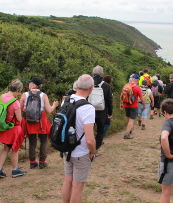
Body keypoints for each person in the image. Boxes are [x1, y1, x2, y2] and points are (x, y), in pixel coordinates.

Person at [61, 74, 96, 203]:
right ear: (91, 88)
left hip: (66, 149)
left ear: (77, 86)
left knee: (67, 180)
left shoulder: (66, 100)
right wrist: (93, 151)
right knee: (78, 186)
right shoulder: (88, 108)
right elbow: (89, 139)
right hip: (81, 152)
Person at [20, 77, 59, 169]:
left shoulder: (24, 95)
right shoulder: (43, 95)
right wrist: (54, 105)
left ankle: (32, 162)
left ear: (33, 84)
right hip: (41, 120)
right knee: (43, 140)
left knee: (32, 141)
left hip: (29, 119)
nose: (29, 84)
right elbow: (49, 110)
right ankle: (42, 161)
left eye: (30, 83)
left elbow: (20, 108)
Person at [0, 79, 27, 178]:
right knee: (15, 149)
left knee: (5, 149)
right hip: (13, 128)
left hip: (4, 127)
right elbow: (19, 119)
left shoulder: (1, 96)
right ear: (17, 90)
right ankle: (15, 170)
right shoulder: (15, 102)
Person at [91, 66, 113, 150]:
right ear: (102, 74)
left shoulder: (89, 84)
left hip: (90, 111)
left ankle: (88, 148)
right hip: (102, 112)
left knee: (89, 130)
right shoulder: (106, 85)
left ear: (92, 74)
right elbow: (109, 100)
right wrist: (110, 112)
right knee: (100, 131)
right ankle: (95, 149)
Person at [120, 74, 146, 139]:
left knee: (128, 118)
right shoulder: (137, 88)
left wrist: (121, 103)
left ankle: (129, 130)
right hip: (134, 105)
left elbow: (121, 95)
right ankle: (127, 134)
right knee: (132, 120)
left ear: (132, 79)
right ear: (137, 80)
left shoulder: (126, 85)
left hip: (126, 104)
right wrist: (144, 105)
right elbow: (142, 98)